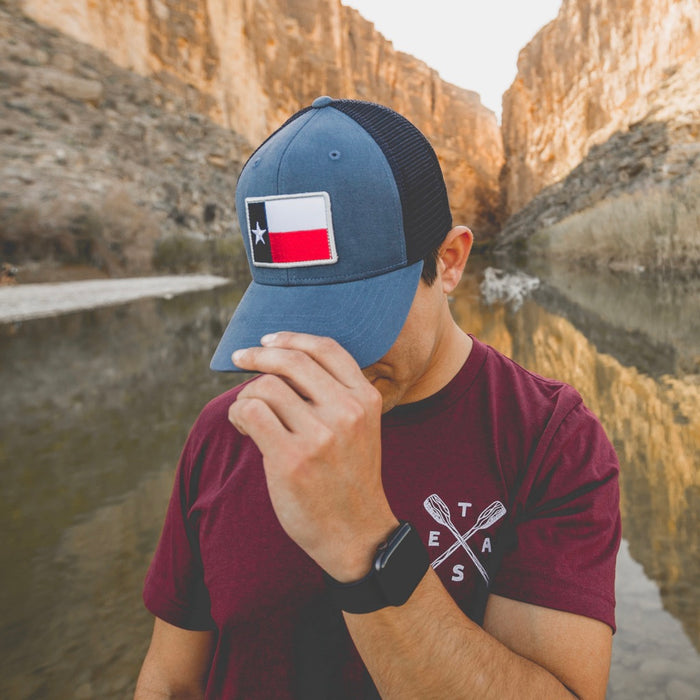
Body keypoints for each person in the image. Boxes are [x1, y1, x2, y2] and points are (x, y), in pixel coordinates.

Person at [135, 97, 621, 699]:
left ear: (449, 261)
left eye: (355, 319)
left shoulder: (552, 439)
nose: (327, 359)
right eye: (294, 319)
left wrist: (362, 541)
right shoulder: (229, 429)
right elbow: (171, 681)